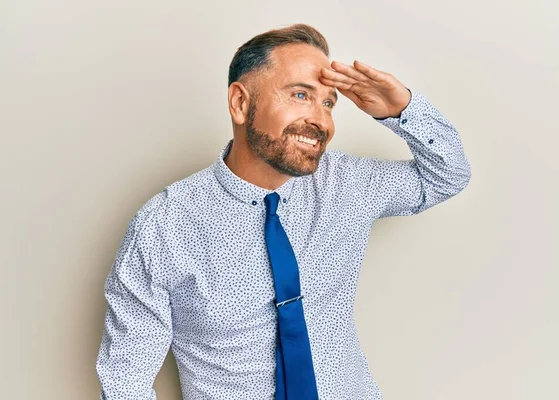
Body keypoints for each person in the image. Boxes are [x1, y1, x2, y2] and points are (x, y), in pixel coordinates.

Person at [96, 23, 471, 400]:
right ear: (241, 103)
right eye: (299, 95)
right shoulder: (166, 225)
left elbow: (448, 175)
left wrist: (402, 110)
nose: (320, 120)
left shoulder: (346, 184)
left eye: (327, 103)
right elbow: (125, 378)